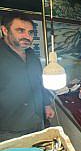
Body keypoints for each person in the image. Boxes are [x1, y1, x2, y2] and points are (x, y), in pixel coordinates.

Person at [0, 12, 55, 141]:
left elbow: (39, 83)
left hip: (37, 121)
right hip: (9, 129)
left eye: (30, 33)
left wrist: (46, 104)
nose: (27, 36)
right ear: (4, 30)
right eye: (21, 31)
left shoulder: (32, 55)